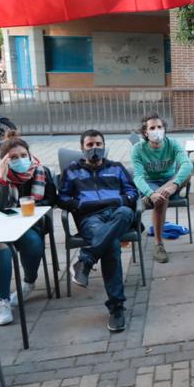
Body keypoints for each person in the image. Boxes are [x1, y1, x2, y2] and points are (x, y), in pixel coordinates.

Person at [58, 129, 138, 332]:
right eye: (90, 145)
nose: (95, 148)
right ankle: (117, 307)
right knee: (111, 245)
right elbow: (63, 198)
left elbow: (132, 192)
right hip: (90, 218)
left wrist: (119, 201)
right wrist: (82, 205)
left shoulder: (117, 167)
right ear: (82, 148)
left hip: (117, 214)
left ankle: (86, 260)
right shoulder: (72, 171)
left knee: (126, 213)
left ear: (104, 146)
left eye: (98, 144)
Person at [0, 132, 56, 325]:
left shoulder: (41, 171)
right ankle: (2, 301)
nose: (20, 160)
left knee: (32, 242)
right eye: (13, 157)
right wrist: (3, 179)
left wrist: (31, 207)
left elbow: (51, 199)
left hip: (28, 224)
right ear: (3, 159)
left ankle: (28, 283)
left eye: (23, 155)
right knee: (0, 247)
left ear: (29, 155)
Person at [131, 113, 193, 264]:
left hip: (170, 181)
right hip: (150, 182)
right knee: (161, 198)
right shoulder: (138, 149)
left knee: (187, 174)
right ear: (146, 132)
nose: (156, 130)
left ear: (164, 129)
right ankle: (159, 245)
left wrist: (174, 185)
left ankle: (145, 203)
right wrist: (150, 193)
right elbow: (137, 177)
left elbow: (187, 164)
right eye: (152, 128)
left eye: (159, 127)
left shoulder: (172, 144)